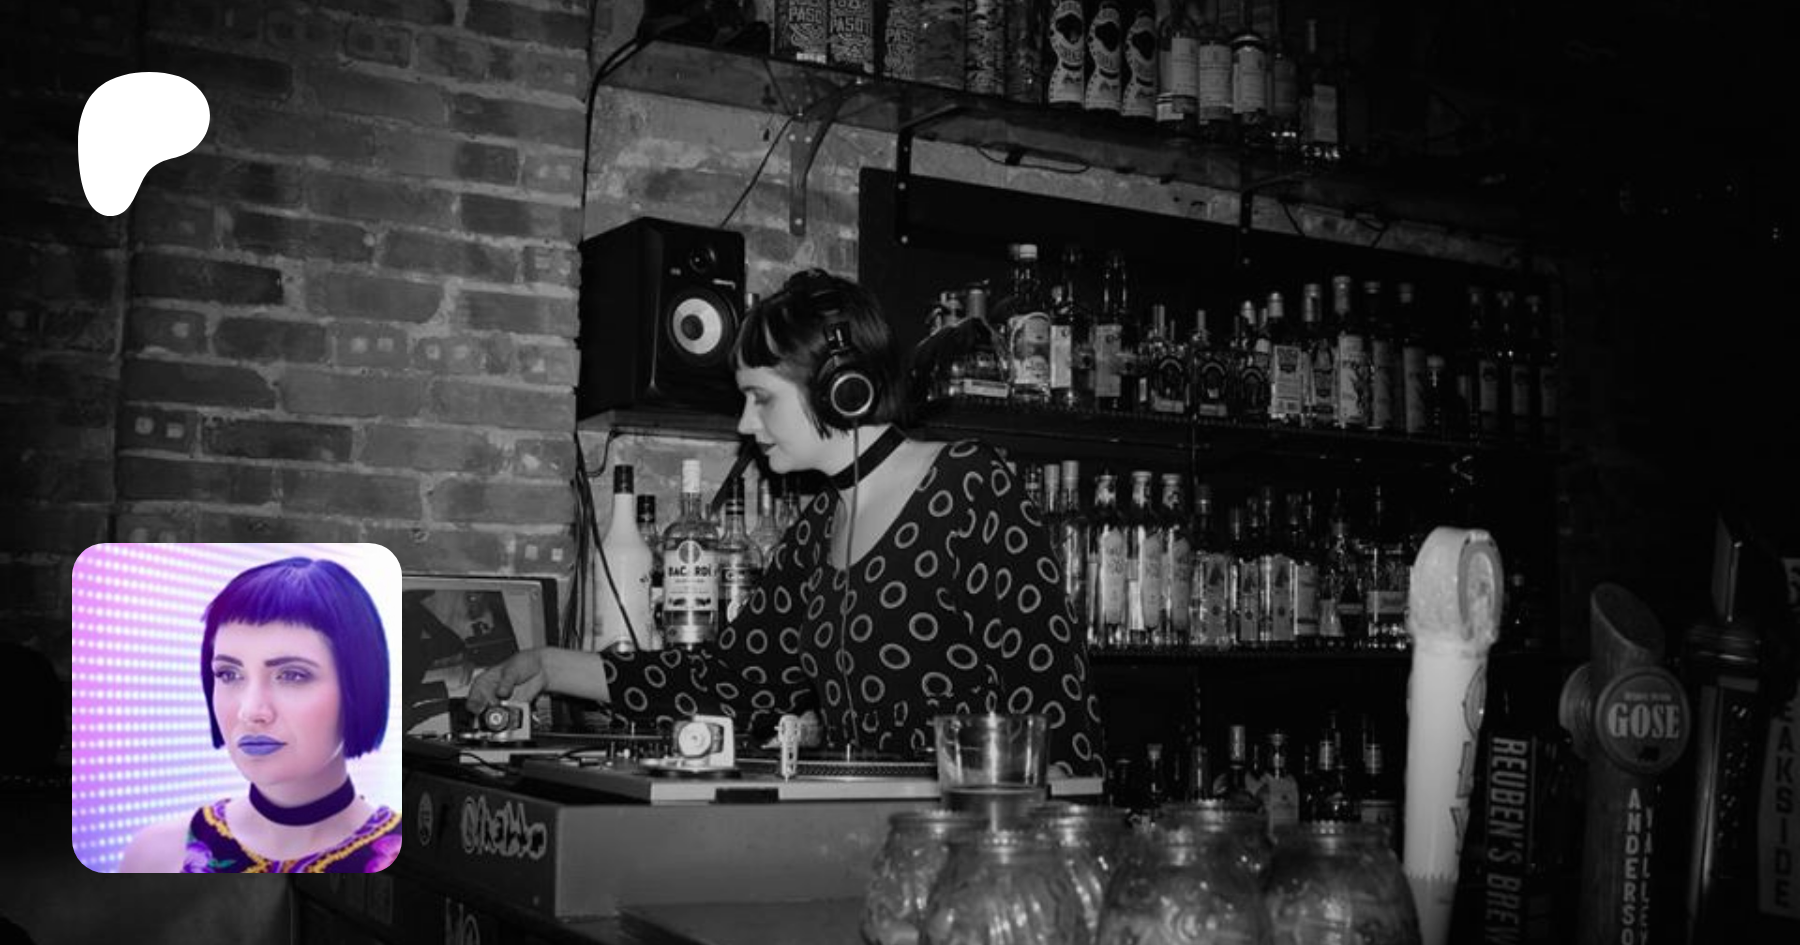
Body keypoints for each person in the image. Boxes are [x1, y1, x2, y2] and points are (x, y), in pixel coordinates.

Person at [469, 269, 1105, 775]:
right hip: (873, 841)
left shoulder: (969, 485)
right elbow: (732, 680)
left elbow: (1055, 700)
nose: (746, 423)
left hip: (979, 847)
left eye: (762, 397)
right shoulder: (818, 526)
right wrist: (551, 667)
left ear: (840, 388)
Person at [120, 557, 401, 873]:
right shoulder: (157, 855)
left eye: (292, 675)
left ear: (360, 684)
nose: (251, 711)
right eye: (228, 674)